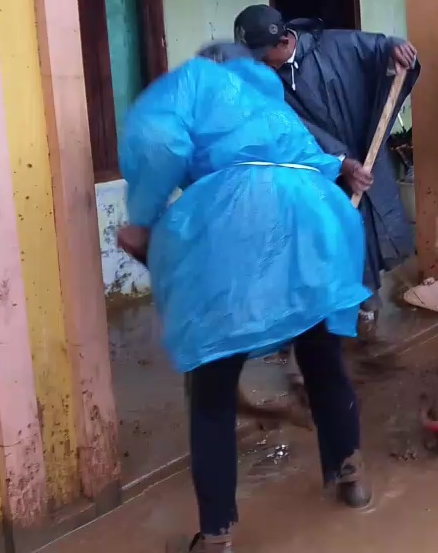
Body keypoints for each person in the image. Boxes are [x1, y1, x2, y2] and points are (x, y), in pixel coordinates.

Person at [115, 43, 375, 552]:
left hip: (234, 223)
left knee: (211, 386)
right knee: (321, 356)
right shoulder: (269, 97)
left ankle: (216, 537)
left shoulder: (197, 82)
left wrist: (142, 220)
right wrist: (340, 166)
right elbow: (311, 160)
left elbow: (158, 141)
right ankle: (353, 478)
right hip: (314, 223)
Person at [232, 4, 419, 330]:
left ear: (281, 43)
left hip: (365, 150)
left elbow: (381, 49)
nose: (258, 62)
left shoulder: (336, 45)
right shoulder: (267, 82)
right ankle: (340, 303)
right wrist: (338, 162)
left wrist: (395, 49)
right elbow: (291, 129)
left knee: (368, 229)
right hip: (319, 168)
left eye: (260, 54)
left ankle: (363, 302)